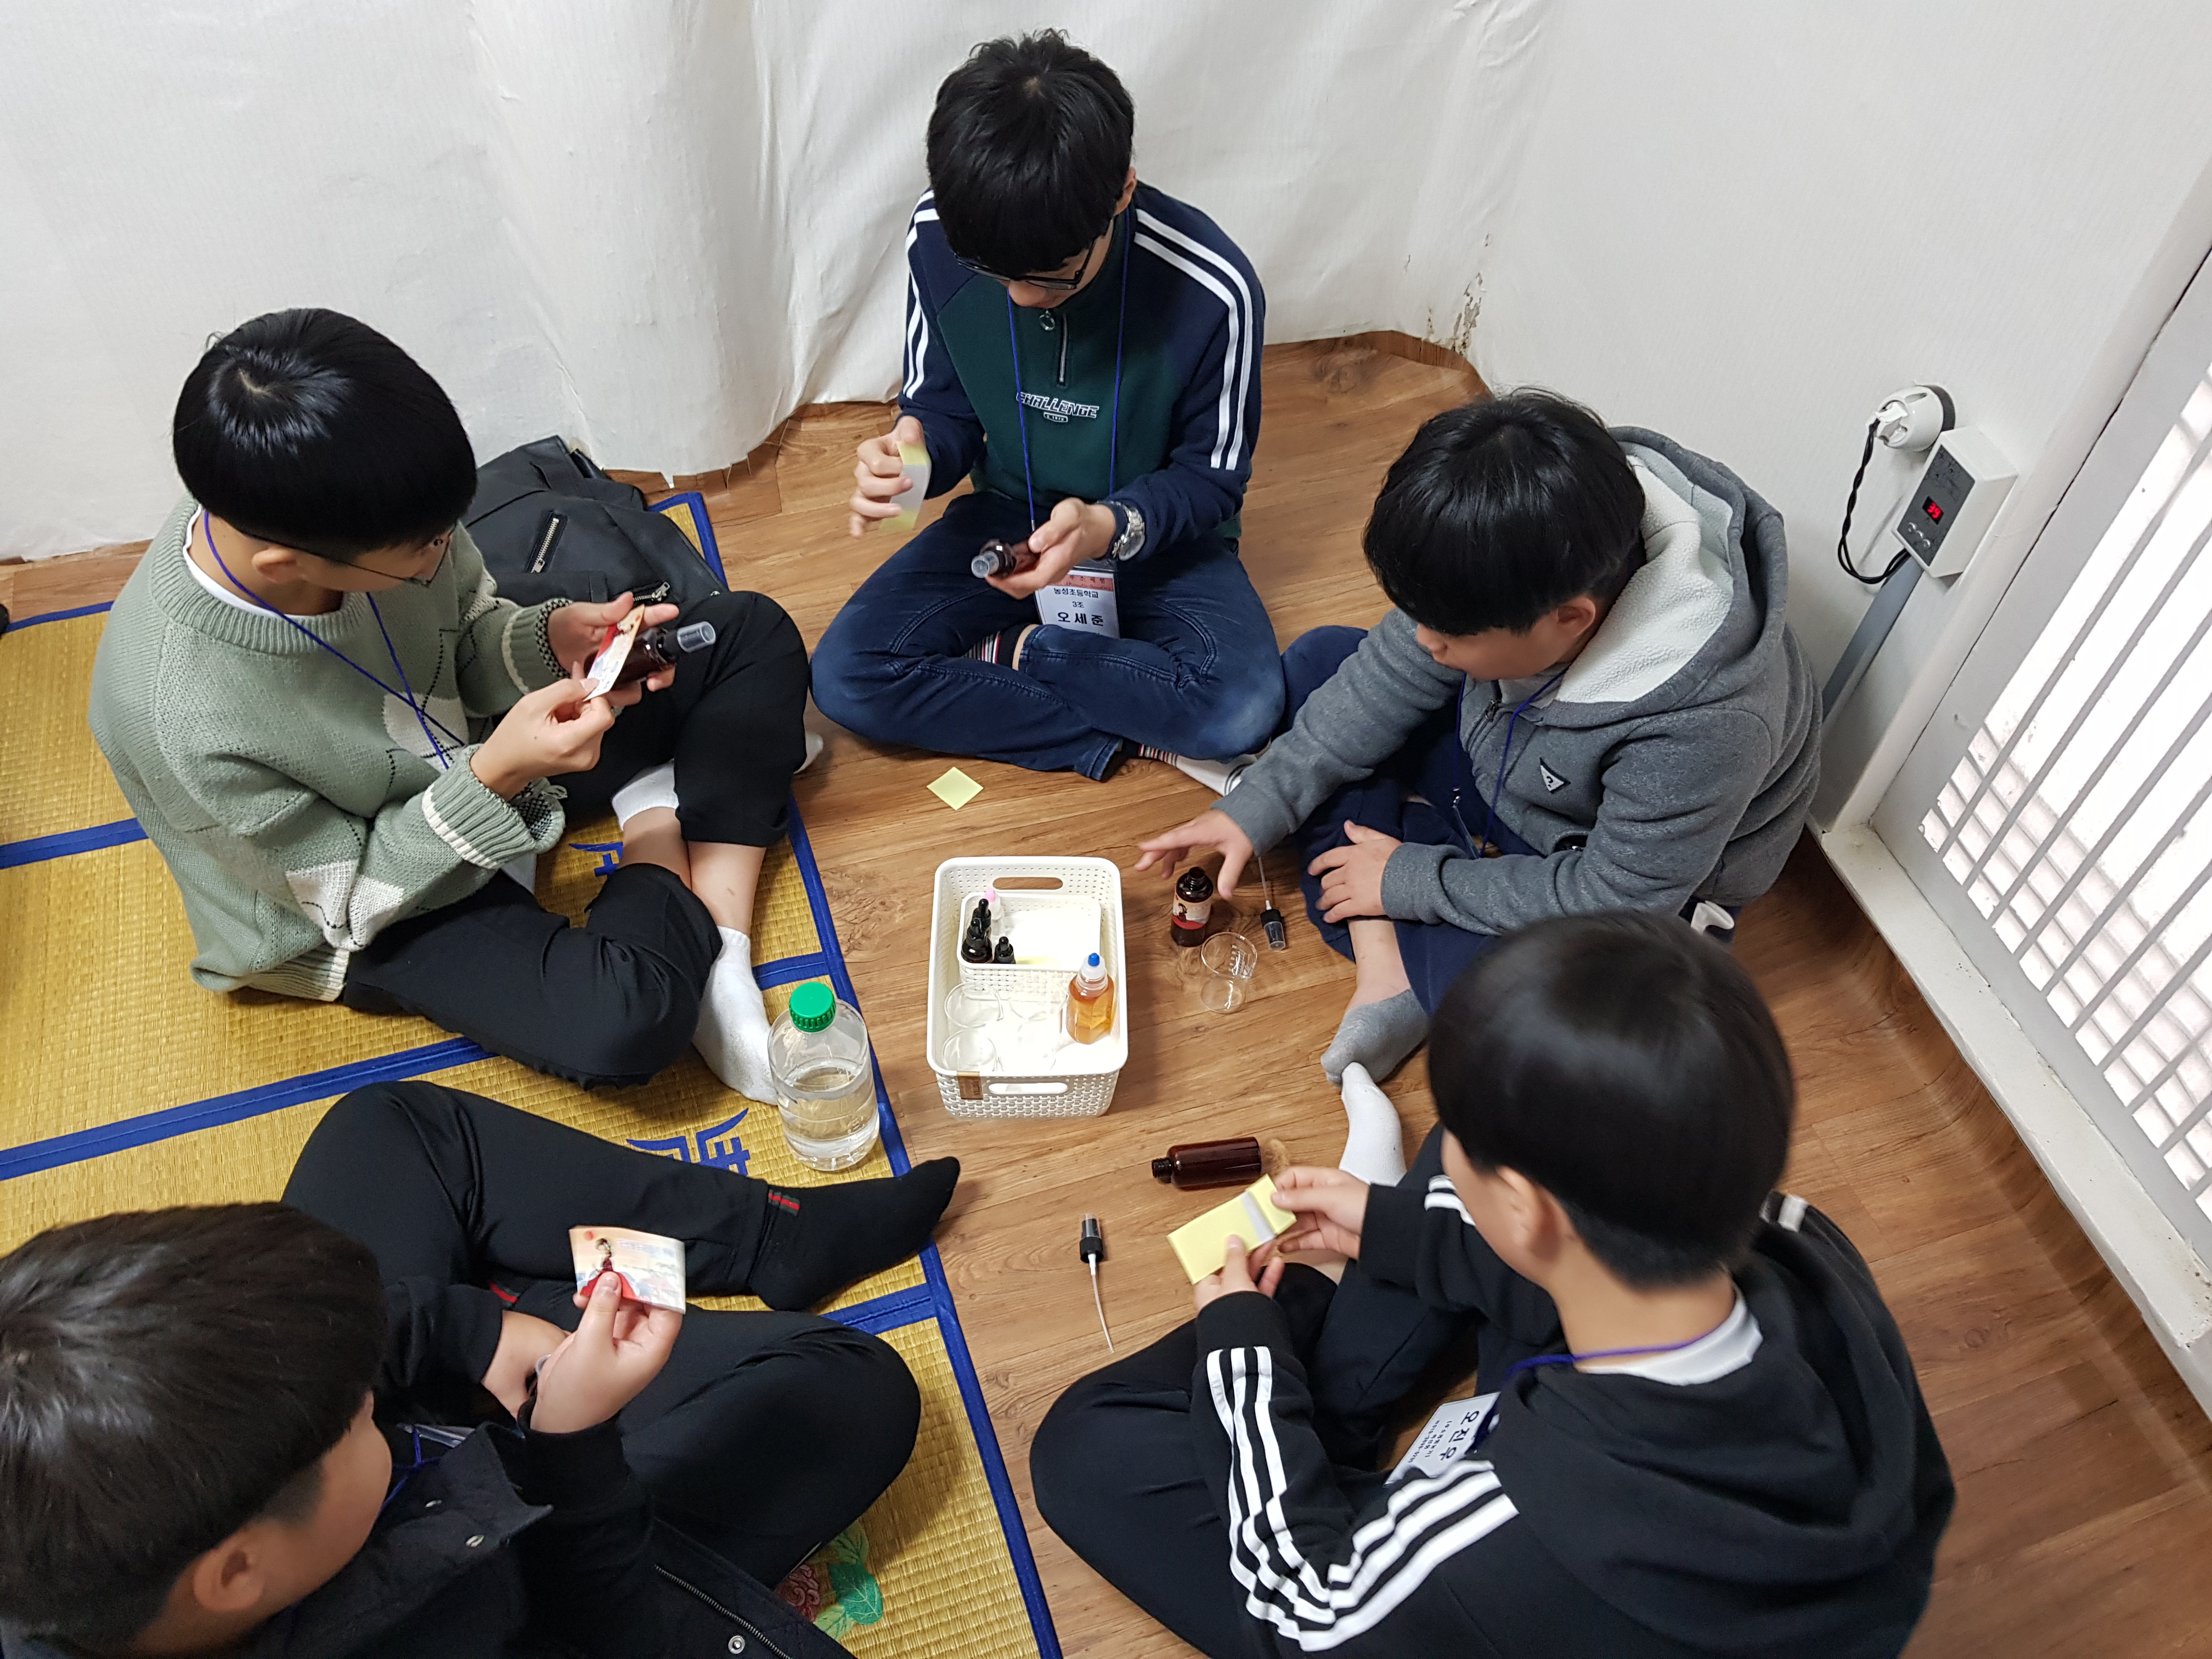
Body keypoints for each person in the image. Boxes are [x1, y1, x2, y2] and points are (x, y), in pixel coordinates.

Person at [1030, 913, 1954, 1658]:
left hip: (1484, 1574)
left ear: (1526, 1212)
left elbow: (1300, 1615)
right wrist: (1394, 1223)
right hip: (1627, 1507)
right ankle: (1328, 1348)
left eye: (1477, 1160)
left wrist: (1243, 1349)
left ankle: (1299, 1344)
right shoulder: (1798, 1237)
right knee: (1464, 1167)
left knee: (1085, 1445)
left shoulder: (1515, 1522)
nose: (1456, 1149)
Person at [89, 308, 810, 1098]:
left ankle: (722, 953)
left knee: (748, 632)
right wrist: (497, 777)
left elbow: (463, 631)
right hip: (365, 902)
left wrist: (546, 640)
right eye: (423, 549)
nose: (446, 550)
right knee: (625, 1018)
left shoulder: (362, 505)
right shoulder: (180, 716)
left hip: (473, 752)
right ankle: (658, 814)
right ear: (287, 565)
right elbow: (348, 904)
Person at [0, 1080, 960, 1657]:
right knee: (847, 1392)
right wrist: (572, 1447)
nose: (369, 1393)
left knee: (390, 1128)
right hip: (526, 1548)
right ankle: (537, 1304)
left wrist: (472, 1333)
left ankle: (765, 1240)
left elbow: (367, 1337)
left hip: (415, 1464)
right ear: (239, 1571)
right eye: (355, 1412)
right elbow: (610, 1631)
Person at [1137, 390, 1819, 1183]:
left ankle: (1405, 927)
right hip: (1507, 760)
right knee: (1325, 662)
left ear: (1571, 619)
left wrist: (1414, 879)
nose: (1424, 640)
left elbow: (1618, 898)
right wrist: (1254, 808)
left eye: (1450, 634)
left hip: (1614, 883)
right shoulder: (1522, 552)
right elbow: (1391, 671)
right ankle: (1388, 964)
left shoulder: (1710, 724)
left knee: (1538, 1041)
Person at [812, 30, 1283, 781]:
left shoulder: (1213, 289)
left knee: (1241, 709)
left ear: (1121, 192)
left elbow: (1212, 480)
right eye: (994, 274)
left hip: (1155, 538)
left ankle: (1012, 656)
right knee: (845, 676)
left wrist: (1106, 526)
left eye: (1052, 276)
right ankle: (1138, 724)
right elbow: (945, 411)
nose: (1022, 298)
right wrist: (909, 463)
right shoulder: (940, 237)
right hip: (1009, 519)